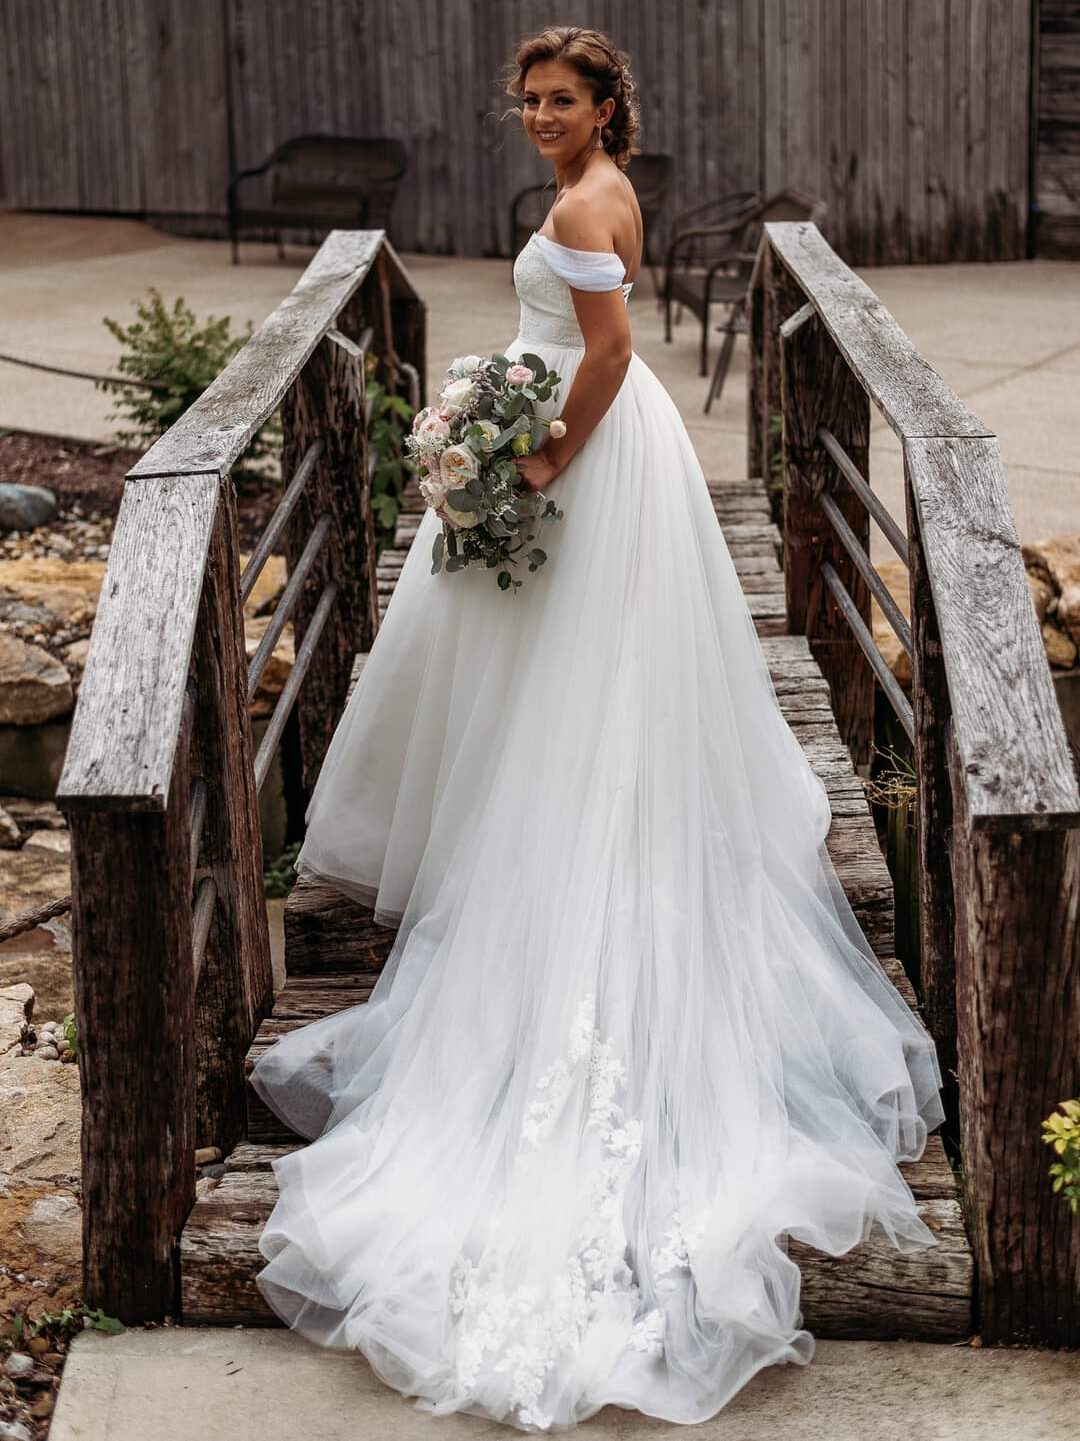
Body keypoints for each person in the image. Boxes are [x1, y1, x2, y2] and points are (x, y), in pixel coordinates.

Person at [250, 25, 944, 1434]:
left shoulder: (579, 205)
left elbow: (612, 352)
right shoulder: (612, 188)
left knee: (565, 677)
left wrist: (535, 449)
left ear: (606, 105)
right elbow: (600, 335)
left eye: (560, 101)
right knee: (586, 681)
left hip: (592, 453)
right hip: (638, 470)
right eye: (527, 102)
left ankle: (557, 865)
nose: (540, 120)